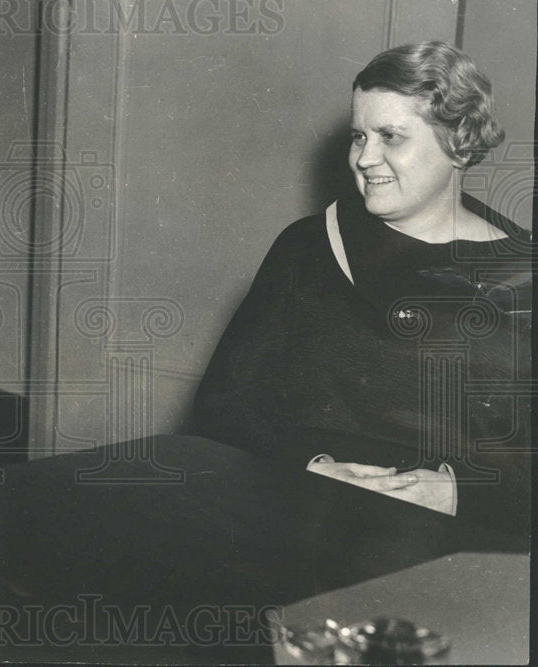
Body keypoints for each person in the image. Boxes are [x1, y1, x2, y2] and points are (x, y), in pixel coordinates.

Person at [192, 41, 530, 530]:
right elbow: (223, 406)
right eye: (358, 136)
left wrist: (461, 492)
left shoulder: (522, 271)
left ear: (458, 140)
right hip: (300, 517)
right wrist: (313, 466)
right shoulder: (308, 245)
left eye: (390, 136)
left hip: (450, 544)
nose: (366, 158)